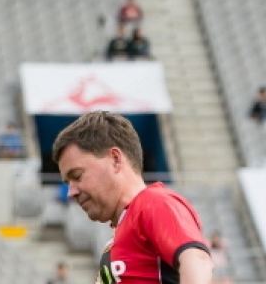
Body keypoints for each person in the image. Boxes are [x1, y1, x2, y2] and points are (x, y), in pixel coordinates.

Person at [53, 111, 213, 284]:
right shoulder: (121, 231)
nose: (71, 192)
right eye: (68, 182)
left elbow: (197, 260)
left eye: (77, 175)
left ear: (115, 159)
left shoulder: (153, 203)